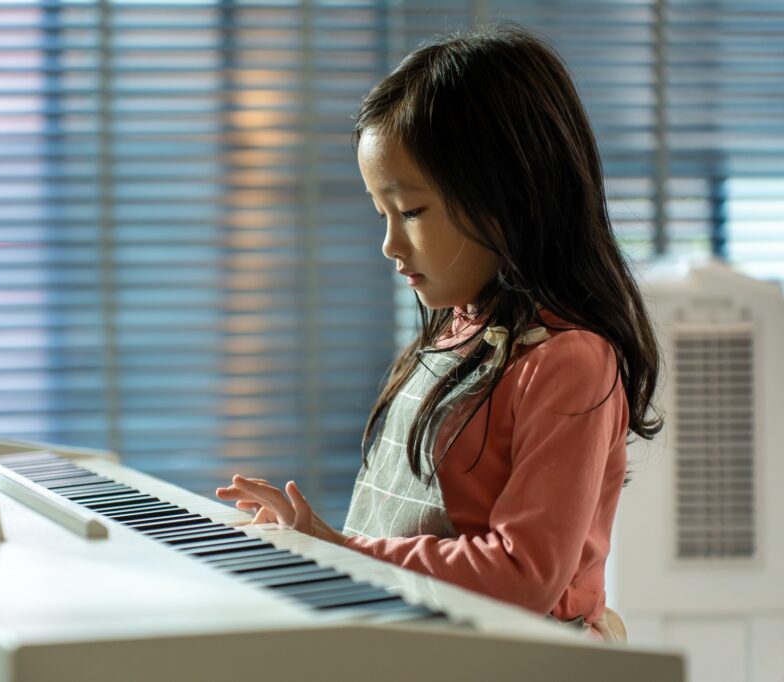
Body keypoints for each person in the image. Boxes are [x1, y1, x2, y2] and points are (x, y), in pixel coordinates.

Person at [214, 24, 661, 642]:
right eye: (382, 214)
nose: (391, 245)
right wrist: (318, 549)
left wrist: (341, 549)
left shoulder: (569, 360)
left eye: (413, 211)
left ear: (509, 194)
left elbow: (522, 572)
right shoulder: (455, 334)